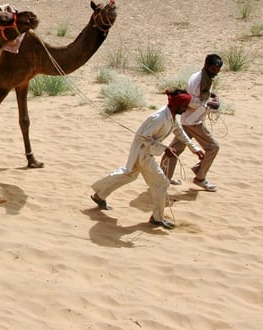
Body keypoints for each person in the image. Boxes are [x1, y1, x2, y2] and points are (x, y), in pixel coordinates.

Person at [90, 89, 205, 229]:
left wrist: (195, 149)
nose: (186, 108)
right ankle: (157, 218)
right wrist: (164, 149)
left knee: (129, 175)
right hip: (143, 153)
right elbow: (145, 138)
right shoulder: (160, 118)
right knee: (161, 183)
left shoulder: (171, 115)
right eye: (185, 105)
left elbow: (179, 132)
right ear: (177, 105)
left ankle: (99, 195)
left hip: (144, 152)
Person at [160, 54, 224, 192]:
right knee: (213, 147)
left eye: (217, 71)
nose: (215, 73)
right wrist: (210, 104)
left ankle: (163, 177)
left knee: (175, 150)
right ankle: (200, 177)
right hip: (193, 121)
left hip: (188, 120)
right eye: (213, 69)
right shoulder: (199, 80)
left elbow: (200, 95)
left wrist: (211, 96)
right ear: (206, 65)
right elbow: (192, 100)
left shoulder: (203, 77)